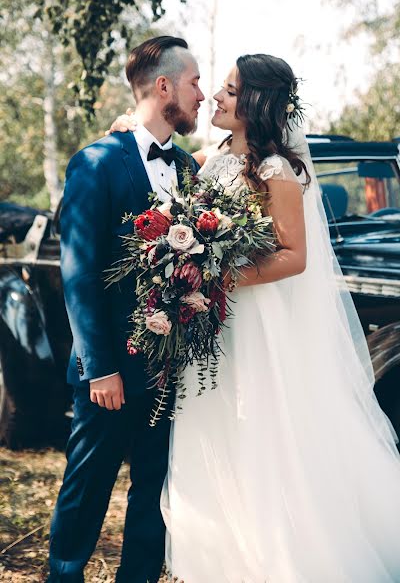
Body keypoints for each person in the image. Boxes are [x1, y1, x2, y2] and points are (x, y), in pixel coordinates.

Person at [108, 54, 400, 582]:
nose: (217, 97)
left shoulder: (276, 169)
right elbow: (166, 154)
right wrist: (131, 122)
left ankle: (277, 561)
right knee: (212, 432)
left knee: (260, 437)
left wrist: (218, 275)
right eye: (217, 87)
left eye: (230, 90)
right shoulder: (215, 157)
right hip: (213, 326)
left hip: (257, 327)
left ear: (258, 103)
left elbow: (296, 255)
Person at [47, 36, 204, 583]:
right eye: (194, 83)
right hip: (107, 375)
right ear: (164, 87)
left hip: (168, 372)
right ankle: (63, 575)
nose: (201, 95)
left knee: (152, 502)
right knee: (86, 491)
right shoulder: (94, 163)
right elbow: (80, 276)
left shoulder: (187, 168)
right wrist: (101, 367)